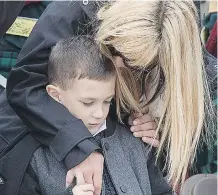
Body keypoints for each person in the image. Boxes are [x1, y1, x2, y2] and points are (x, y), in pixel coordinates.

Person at [5, 0, 215, 192]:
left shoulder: (174, 34)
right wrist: (78, 147)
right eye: (127, 60)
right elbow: (25, 85)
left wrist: (161, 124)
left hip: (124, 145)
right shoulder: (71, 11)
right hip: (36, 137)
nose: (123, 69)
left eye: (146, 69)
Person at [27, 35, 172, 195]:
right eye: (88, 103)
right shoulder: (35, 157)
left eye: (107, 101)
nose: (100, 113)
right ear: (56, 95)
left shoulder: (135, 141)